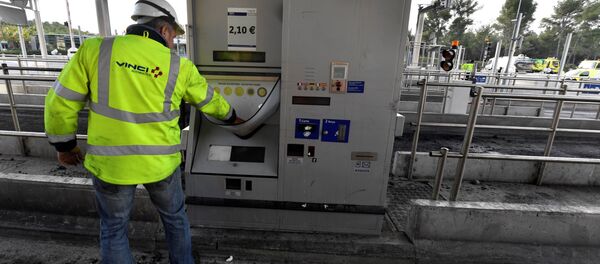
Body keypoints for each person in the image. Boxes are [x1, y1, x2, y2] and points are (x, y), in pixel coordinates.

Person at [44, 0, 240, 263]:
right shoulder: (179, 66)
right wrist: (233, 117)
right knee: (175, 219)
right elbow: (210, 102)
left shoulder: (96, 49)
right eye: (173, 36)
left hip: (112, 165)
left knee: (114, 228)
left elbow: (60, 101)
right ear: (164, 29)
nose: (173, 43)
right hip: (160, 164)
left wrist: (65, 147)